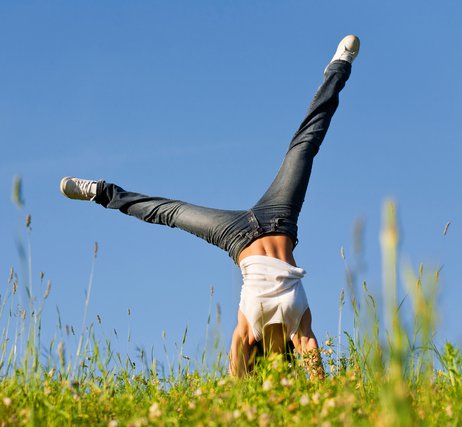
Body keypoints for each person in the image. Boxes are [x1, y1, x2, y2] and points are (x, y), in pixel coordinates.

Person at [60, 35, 360, 378]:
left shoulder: (250, 331)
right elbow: (312, 357)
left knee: (170, 212)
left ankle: (101, 192)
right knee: (303, 147)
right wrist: (321, 391)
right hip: (279, 218)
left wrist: (239, 386)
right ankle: (339, 67)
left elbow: (236, 369)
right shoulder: (298, 329)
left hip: (236, 237)